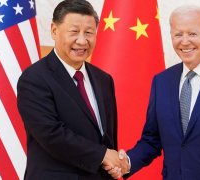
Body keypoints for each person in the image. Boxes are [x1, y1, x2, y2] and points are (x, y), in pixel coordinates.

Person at [107, 5, 200, 180]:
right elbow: (152, 140)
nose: (185, 41)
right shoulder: (161, 81)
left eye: (192, 34)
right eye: (178, 34)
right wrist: (127, 162)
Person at [17, 0, 128, 179]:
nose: (82, 40)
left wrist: (113, 165)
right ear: (54, 30)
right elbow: (51, 135)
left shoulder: (103, 79)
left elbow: (107, 139)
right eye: (74, 32)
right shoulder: (34, 78)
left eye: (89, 33)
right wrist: (102, 155)